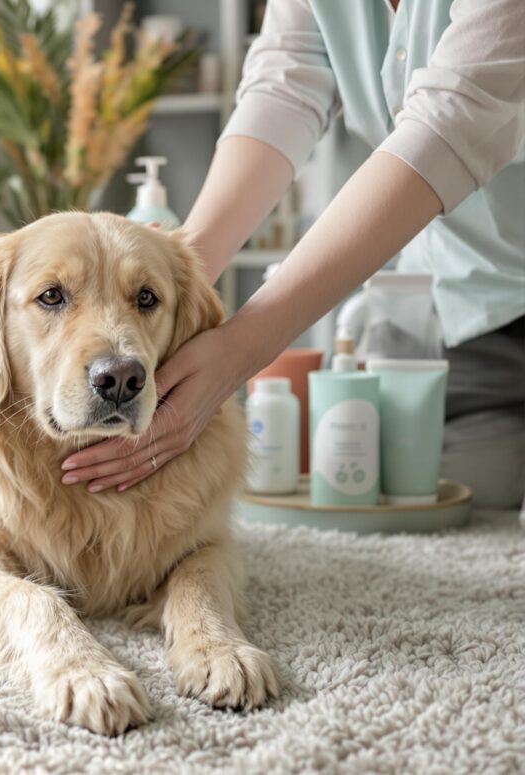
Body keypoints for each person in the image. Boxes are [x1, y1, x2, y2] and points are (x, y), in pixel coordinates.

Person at [60, 0, 525, 509]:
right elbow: (284, 86)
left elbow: (451, 125)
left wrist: (241, 350)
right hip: (471, 311)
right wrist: (179, 276)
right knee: (463, 510)